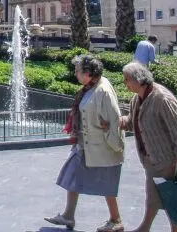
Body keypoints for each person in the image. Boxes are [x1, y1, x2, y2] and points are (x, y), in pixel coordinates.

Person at [45, 55, 125, 232]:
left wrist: (115, 144)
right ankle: (68, 215)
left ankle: (116, 219)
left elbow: (114, 118)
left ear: (88, 73)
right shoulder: (91, 87)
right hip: (86, 144)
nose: (75, 73)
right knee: (72, 175)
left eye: (78, 70)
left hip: (101, 146)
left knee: (107, 184)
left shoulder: (102, 90)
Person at [117, 62, 177, 232]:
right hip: (150, 156)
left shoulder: (161, 98)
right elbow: (135, 122)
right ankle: (176, 228)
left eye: (127, 79)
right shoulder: (137, 98)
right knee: (167, 194)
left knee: (154, 196)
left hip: (165, 157)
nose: (124, 83)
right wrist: (122, 122)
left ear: (138, 79)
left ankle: (145, 228)